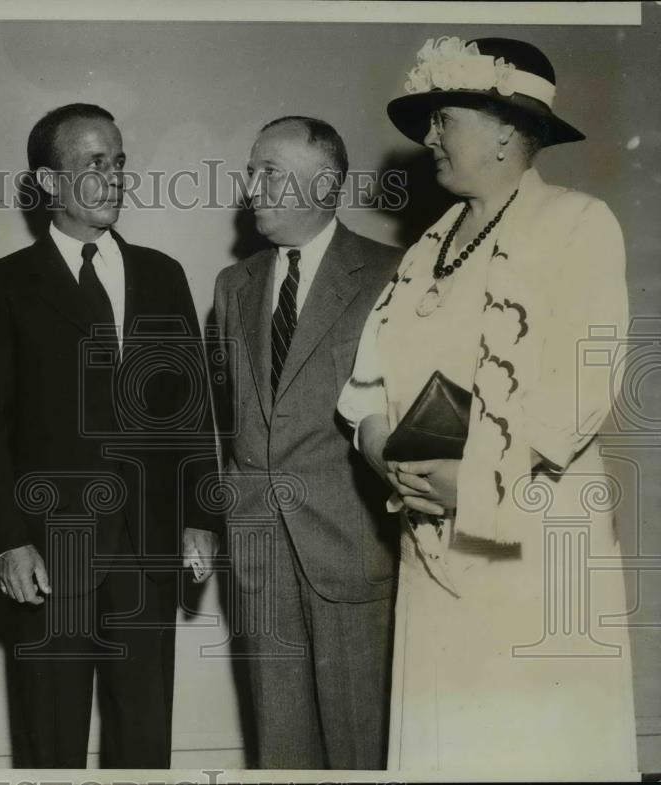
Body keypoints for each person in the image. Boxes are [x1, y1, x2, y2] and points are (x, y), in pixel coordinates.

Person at [338, 37, 638, 777]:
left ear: (508, 129)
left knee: (528, 741)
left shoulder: (577, 223)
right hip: (432, 543)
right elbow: (370, 381)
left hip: (533, 541)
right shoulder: (426, 250)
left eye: (444, 119)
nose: (429, 138)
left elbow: (580, 386)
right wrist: (385, 455)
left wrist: (468, 480)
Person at [0, 103, 222, 768]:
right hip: (50, 553)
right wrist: (7, 539)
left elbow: (191, 410)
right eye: (92, 164)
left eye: (117, 163)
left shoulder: (162, 275)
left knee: (143, 740)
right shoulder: (2, 288)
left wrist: (201, 515)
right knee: (48, 741)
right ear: (50, 183)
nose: (112, 178)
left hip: (147, 546)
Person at [212, 116, 402, 769]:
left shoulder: (391, 275)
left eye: (269, 170)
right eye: (252, 168)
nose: (251, 185)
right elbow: (227, 416)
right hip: (259, 554)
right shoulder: (232, 286)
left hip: (352, 549)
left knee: (361, 741)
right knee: (281, 745)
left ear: (323, 184)